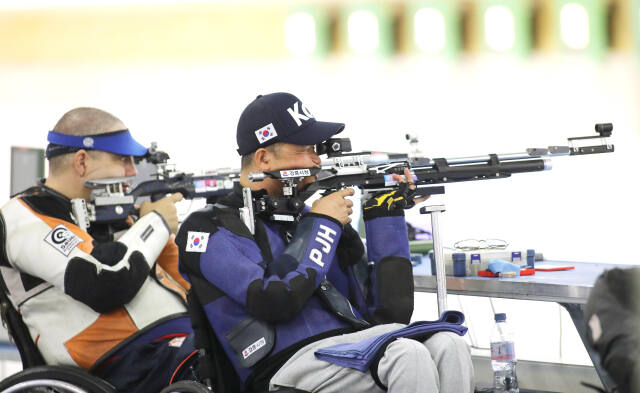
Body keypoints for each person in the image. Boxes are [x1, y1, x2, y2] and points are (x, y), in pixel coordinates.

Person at [176, 93, 474, 393]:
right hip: (280, 367)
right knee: (405, 354)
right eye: (305, 150)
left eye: (316, 150)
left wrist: (384, 213)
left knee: (449, 344)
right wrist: (323, 223)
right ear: (263, 158)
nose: (317, 160)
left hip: (352, 349)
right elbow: (274, 300)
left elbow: (388, 315)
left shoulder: (314, 219)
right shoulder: (206, 228)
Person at [0, 107, 196, 393]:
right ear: (82, 162)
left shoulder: (115, 211)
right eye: (122, 160)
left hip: (172, 344)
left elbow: (187, 276)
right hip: (126, 360)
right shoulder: (23, 215)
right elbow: (105, 282)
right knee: (222, 360)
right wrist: (155, 223)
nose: (132, 172)